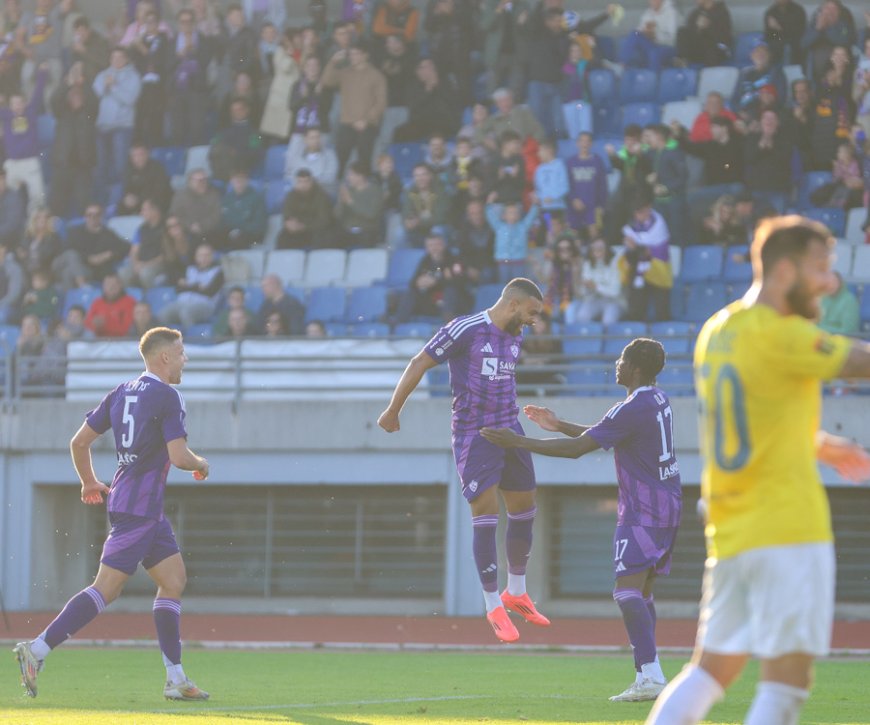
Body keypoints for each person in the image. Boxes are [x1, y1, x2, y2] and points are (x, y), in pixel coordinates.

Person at [646, 216, 870, 725]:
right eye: (821, 268)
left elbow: (755, 415)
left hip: (733, 533)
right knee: (787, 684)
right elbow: (858, 360)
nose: (831, 282)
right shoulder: (784, 333)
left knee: (711, 671)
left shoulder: (718, 330)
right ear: (785, 270)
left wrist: (816, 443)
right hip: (788, 529)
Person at [13, 327, 210, 701]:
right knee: (107, 589)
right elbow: (180, 457)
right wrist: (202, 464)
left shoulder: (122, 392)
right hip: (139, 510)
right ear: (164, 357)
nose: (186, 359)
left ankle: (176, 678)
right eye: (182, 352)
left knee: (173, 580)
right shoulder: (169, 396)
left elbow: (79, 441)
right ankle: (36, 650)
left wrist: (89, 482)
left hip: (139, 507)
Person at [482, 337, 680, 701]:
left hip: (643, 510)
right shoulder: (656, 399)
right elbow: (604, 436)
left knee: (626, 591)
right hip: (667, 505)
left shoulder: (630, 407)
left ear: (634, 367)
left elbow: (578, 450)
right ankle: (646, 674)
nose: (617, 363)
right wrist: (559, 425)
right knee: (643, 592)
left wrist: (518, 443)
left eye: (622, 358)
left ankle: (651, 675)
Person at [378, 278, 550, 643]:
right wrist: (394, 410)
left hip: (510, 426)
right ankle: (492, 605)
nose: (536, 320)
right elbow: (420, 361)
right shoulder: (465, 329)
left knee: (524, 505)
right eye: (533, 312)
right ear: (514, 304)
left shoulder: (516, 334)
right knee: (485, 510)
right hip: (475, 433)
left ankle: (515, 591)